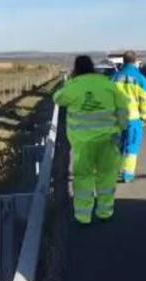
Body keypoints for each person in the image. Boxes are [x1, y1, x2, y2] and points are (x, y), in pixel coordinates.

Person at [54, 56, 128, 224]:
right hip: (108, 140)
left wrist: (70, 83)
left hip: (83, 143)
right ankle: (105, 213)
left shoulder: (74, 86)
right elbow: (123, 108)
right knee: (107, 176)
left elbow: (57, 98)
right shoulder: (109, 84)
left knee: (83, 177)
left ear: (76, 68)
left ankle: (83, 216)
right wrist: (122, 128)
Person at [111, 50, 146, 183]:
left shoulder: (115, 77)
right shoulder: (140, 78)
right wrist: (144, 116)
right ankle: (127, 174)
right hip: (133, 118)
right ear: (135, 61)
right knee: (132, 145)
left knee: (117, 146)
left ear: (123, 61)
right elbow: (145, 99)